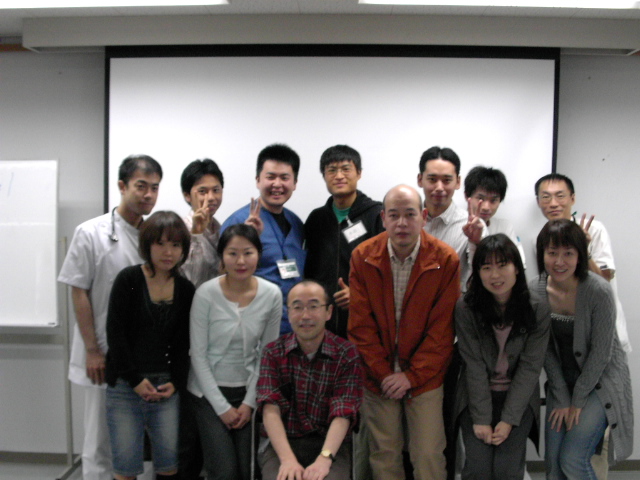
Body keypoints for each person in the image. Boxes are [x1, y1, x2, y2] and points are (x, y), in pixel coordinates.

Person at [57, 154, 162, 480]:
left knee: (140, 437)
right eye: (141, 186)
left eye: (154, 188)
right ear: (122, 186)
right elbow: (78, 292)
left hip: (141, 355)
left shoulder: (154, 238)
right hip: (102, 352)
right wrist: (92, 350)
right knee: (100, 438)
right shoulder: (91, 232)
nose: (148, 194)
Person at [348, 184, 460, 480]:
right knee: (384, 456)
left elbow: (442, 331)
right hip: (379, 377)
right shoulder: (363, 256)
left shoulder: (445, 259)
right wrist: (385, 374)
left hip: (425, 377)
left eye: (410, 214)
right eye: (394, 215)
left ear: (424, 216)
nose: (401, 223)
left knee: (428, 456)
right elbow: (360, 328)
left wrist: (411, 377)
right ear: (383, 218)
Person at [531, 219, 633, 480]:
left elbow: (601, 354)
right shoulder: (535, 291)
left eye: (568, 253)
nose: (559, 261)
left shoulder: (598, 290)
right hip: (561, 381)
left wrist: (577, 400)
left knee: (573, 460)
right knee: (554, 466)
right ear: (542, 254)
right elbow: (544, 350)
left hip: (600, 381)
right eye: (552, 253)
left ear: (580, 256)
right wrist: (562, 396)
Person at [104, 211, 194, 480]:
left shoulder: (185, 289)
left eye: (175, 245)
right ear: (147, 245)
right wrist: (134, 380)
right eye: (160, 243)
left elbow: (183, 343)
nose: (168, 252)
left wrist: (176, 382)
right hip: (125, 385)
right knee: (125, 468)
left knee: (168, 466)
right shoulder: (129, 280)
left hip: (166, 387)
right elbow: (115, 334)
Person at [188, 224, 281, 480]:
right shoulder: (205, 294)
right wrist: (222, 408)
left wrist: (249, 403)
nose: (241, 261)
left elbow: (267, 354)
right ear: (221, 256)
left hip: (247, 390)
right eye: (232, 253)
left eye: (248, 253)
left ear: (259, 255)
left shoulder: (271, 294)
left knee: (247, 470)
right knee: (224, 471)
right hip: (207, 394)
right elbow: (198, 355)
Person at [454, 234, 550, 479]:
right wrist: (481, 419)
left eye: (502, 265)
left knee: (507, 470)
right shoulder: (466, 308)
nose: (495, 275)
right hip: (476, 396)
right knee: (478, 468)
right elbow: (473, 365)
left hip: (518, 398)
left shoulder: (537, 308)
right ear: (477, 272)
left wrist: (509, 420)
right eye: (486, 267)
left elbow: (530, 368)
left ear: (516, 267)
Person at [256, 280, 364, 480]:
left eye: (314, 306)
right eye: (297, 307)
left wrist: (324, 458)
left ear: (328, 312)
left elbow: (343, 412)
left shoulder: (346, 353)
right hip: (283, 444)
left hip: (330, 446)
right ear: (288, 313)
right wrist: (287, 460)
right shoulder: (273, 352)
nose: (305, 315)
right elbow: (270, 409)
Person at [534, 173, 630, 353]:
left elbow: (604, 280)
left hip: (601, 325)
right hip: (566, 332)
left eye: (560, 196)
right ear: (538, 202)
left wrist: (583, 249)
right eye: (546, 197)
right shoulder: (541, 239)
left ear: (573, 198)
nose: (553, 203)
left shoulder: (594, 229)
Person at [222, 143, 306, 335]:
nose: (277, 184)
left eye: (284, 177)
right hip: (253, 328)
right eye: (270, 177)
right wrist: (246, 241)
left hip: (294, 327)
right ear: (258, 180)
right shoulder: (238, 223)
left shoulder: (297, 224)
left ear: (294, 183)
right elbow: (222, 278)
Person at [304, 144, 384, 339]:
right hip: (322, 321)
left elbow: (387, 270)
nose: (339, 176)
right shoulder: (316, 219)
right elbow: (309, 270)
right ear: (324, 176)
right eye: (332, 170)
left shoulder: (377, 215)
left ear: (359, 173)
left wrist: (360, 295)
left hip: (365, 320)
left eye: (346, 169)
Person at [417, 146, 485, 289]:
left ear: (458, 182)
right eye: (432, 179)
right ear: (420, 179)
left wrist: (476, 243)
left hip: (453, 301)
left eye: (447, 180)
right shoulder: (407, 222)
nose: (439, 187)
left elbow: (481, 275)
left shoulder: (472, 225)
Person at [464, 166, 525, 267]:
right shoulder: (460, 225)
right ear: (467, 196)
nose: (486, 207)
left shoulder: (505, 227)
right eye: (480, 199)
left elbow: (519, 263)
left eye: (493, 200)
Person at [180, 158, 225, 289]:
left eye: (216, 190)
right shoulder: (179, 230)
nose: (211, 197)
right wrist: (196, 234)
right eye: (202, 191)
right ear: (187, 195)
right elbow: (190, 279)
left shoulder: (222, 229)